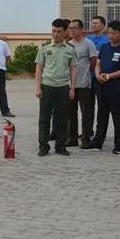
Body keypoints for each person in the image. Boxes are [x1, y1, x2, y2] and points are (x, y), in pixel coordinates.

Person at [83, 20, 120, 153]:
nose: (111, 35)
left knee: (118, 115)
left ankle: (119, 145)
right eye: (109, 33)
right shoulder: (105, 47)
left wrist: (109, 76)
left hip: (117, 85)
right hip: (102, 84)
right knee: (102, 114)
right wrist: (98, 74)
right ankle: (97, 143)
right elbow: (98, 63)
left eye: (114, 33)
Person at [35, 18, 77, 156]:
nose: (56, 34)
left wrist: (72, 88)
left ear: (65, 32)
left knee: (62, 118)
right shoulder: (45, 47)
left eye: (59, 31)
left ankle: (60, 146)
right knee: (44, 118)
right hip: (47, 86)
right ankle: (43, 146)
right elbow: (39, 68)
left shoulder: (70, 49)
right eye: (53, 31)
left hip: (63, 87)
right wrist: (38, 87)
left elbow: (73, 69)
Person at [66, 19, 98, 147]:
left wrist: (88, 74)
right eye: (70, 28)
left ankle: (85, 138)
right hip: (70, 85)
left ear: (81, 29)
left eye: (74, 28)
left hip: (84, 84)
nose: (71, 30)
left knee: (86, 113)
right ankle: (72, 138)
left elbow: (93, 61)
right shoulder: (68, 44)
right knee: (70, 113)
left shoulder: (88, 44)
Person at [86, 16, 110, 139]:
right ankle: (88, 130)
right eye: (92, 23)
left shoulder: (107, 40)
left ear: (103, 25)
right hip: (88, 78)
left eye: (96, 23)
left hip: (101, 78)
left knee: (102, 106)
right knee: (88, 106)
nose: (93, 25)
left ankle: (100, 132)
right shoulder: (87, 39)